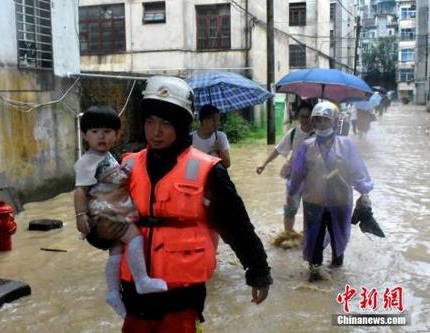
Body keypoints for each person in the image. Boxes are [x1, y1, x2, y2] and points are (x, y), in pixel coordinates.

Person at [119, 76, 272, 332]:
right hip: (135, 293)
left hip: (181, 296)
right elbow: (107, 225)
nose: (155, 132)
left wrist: (258, 270)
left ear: (180, 125)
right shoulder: (127, 166)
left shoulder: (208, 171)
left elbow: (236, 225)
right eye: (150, 122)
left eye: (166, 124)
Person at [74, 106, 167, 318]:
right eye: (95, 131)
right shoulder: (86, 162)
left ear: (117, 135)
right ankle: (142, 280)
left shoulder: (104, 156)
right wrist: (80, 216)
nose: (101, 136)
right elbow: (80, 191)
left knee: (116, 251)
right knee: (135, 238)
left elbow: (112, 179)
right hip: (105, 212)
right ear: (85, 135)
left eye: (107, 131)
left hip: (109, 210)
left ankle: (113, 292)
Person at [287, 101, 373, 282]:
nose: (321, 123)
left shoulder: (346, 145)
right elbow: (298, 173)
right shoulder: (307, 146)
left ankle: (337, 276)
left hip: (340, 201)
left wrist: (364, 191)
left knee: (338, 240)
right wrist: (292, 191)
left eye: (325, 120)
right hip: (313, 202)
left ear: (334, 122)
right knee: (313, 240)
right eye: (317, 120)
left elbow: (357, 171)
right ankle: (314, 274)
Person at [256, 102, 314, 236]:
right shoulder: (293, 132)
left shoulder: (319, 134)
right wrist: (264, 164)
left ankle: (307, 237)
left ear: (313, 117)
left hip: (313, 177)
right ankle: (288, 235)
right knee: (290, 208)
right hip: (294, 176)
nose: (304, 119)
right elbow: (278, 149)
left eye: (307, 116)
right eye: (301, 116)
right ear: (298, 117)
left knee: (311, 208)